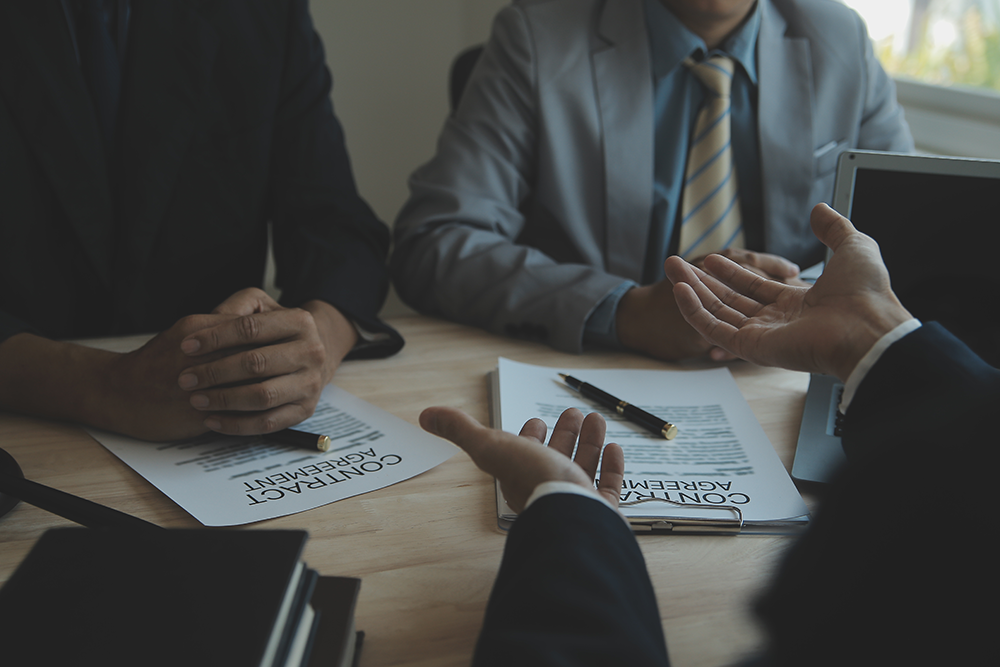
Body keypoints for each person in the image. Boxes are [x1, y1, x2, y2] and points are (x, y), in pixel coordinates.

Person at [419, 203, 996, 665]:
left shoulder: (921, 504)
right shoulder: (532, 55)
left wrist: (565, 509)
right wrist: (870, 333)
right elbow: (436, 237)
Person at [391, 0, 913, 362]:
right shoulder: (535, 39)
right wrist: (625, 312)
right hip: (599, 376)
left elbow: (899, 241)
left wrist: (802, 303)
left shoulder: (842, 40)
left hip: (785, 381)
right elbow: (435, 243)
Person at [0, 1, 402, 441]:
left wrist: (315, 342)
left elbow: (337, 225)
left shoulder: (264, 13)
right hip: (23, 425)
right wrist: (103, 386)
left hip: (217, 430)